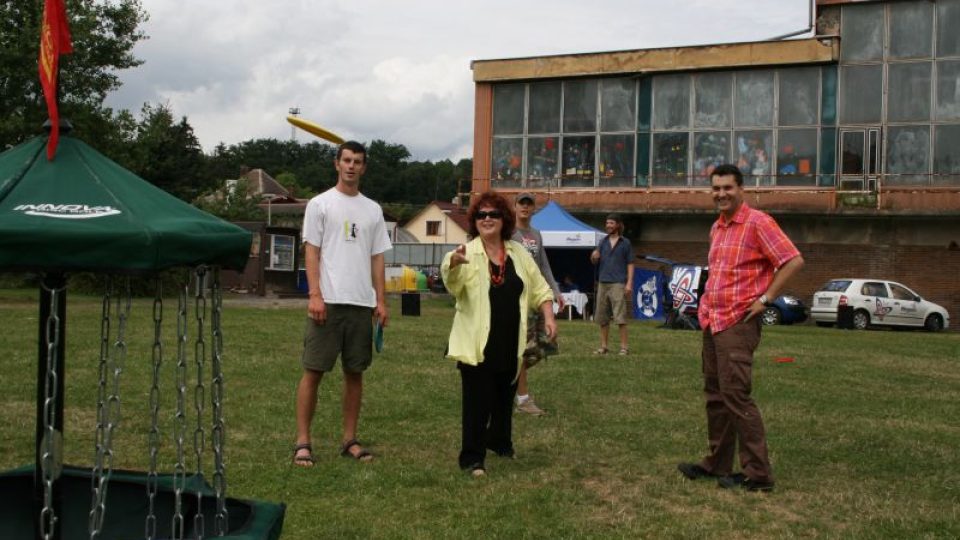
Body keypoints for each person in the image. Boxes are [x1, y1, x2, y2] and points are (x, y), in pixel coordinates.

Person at [677, 163, 804, 492]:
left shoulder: (758, 223)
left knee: (736, 396)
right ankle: (717, 463)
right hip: (713, 320)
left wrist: (767, 298)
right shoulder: (717, 227)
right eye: (716, 188)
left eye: (727, 188)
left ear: (741, 189)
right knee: (716, 396)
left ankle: (758, 475)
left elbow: (792, 260)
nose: (721, 194)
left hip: (738, 321)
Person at [441, 191, 557, 477]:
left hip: (510, 339)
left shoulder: (517, 252)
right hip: (478, 341)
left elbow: (540, 286)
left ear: (503, 219)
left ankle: (500, 442)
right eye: (481, 215)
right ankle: (472, 457)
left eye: (493, 214)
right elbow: (451, 282)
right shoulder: (466, 251)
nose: (487, 219)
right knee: (477, 401)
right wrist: (453, 264)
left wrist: (549, 315)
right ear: (475, 221)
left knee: (504, 397)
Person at [293, 141, 391, 467]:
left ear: (364, 167)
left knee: (355, 373)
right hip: (328, 302)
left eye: (357, 161)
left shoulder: (373, 210)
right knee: (313, 371)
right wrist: (315, 295)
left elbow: (377, 258)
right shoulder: (320, 205)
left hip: (361, 305)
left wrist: (381, 300)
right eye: (346, 160)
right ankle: (303, 442)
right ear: (336, 164)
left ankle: (349, 439)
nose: (351, 166)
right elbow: (312, 252)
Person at [512, 192, 563, 416]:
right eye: (521, 203)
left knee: (544, 346)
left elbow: (544, 266)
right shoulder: (508, 233)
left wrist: (555, 290)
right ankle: (523, 398)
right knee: (523, 349)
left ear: (534, 209)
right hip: (517, 298)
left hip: (537, 297)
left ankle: (511, 378)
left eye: (529, 204)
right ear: (514, 207)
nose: (525, 207)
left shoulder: (536, 235)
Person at [590, 214, 634, 355]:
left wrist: (629, 284)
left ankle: (624, 347)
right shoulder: (602, 242)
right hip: (603, 283)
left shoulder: (625, 243)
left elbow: (630, 264)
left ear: (618, 225)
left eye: (611, 223)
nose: (608, 225)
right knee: (602, 318)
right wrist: (593, 256)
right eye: (607, 223)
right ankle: (604, 347)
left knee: (620, 317)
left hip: (618, 283)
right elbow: (594, 261)